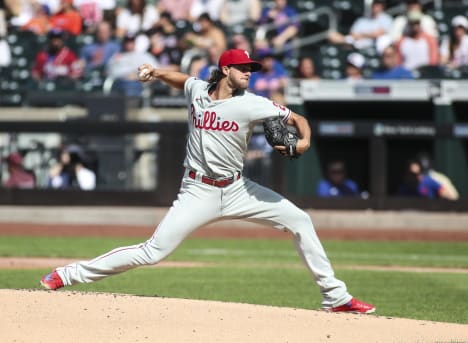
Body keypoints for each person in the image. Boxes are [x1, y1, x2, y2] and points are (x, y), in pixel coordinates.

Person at [40, 48, 375, 314]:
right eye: (244, 68)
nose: (249, 72)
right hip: (197, 190)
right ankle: (67, 275)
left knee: (301, 220)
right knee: (152, 252)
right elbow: (182, 78)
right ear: (226, 70)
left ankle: (334, 296)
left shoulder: (254, 104)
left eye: (252, 69)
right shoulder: (199, 91)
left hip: (238, 188)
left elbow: (298, 119)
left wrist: (303, 142)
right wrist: (155, 72)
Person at [328, 0, 392, 51]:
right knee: (332, 35)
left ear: (383, 6)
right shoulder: (362, 20)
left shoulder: (386, 18)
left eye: (378, 5)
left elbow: (378, 34)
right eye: (374, 4)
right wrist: (366, 35)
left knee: (383, 39)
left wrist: (361, 35)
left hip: (372, 44)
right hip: (356, 43)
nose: (376, 7)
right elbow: (352, 34)